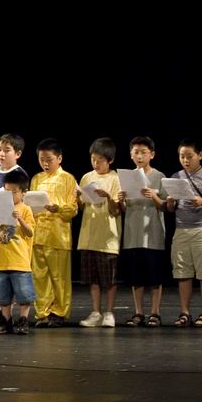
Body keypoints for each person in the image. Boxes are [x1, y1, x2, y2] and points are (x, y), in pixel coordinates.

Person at [166, 138, 202, 327]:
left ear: (200, 155)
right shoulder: (176, 177)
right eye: (182, 156)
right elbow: (170, 209)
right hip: (181, 229)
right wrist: (170, 202)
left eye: (189, 156)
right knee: (182, 271)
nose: (185, 160)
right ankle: (184, 312)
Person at [117, 136, 167, 327]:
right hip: (133, 233)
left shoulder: (159, 176)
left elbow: (165, 206)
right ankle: (138, 312)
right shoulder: (126, 177)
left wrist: (153, 195)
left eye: (143, 152)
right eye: (136, 152)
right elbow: (124, 208)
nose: (139, 156)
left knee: (154, 275)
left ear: (151, 155)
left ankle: (155, 312)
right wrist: (121, 199)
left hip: (153, 233)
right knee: (135, 276)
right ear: (131, 154)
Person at [30, 138, 78, 328]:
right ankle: (43, 312)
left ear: (59, 158)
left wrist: (57, 208)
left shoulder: (67, 178)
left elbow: (72, 209)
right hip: (38, 234)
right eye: (42, 159)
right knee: (40, 276)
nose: (45, 163)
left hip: (58, 235)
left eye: (49, 159)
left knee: (59, 277)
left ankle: (59, 312)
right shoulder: (36, 179)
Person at [78, 138, 123, 328]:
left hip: (107, 238)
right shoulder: (87, 177)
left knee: (109, 279)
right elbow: (82, 207)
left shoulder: (116, 178)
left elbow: (117, 210)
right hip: (88, 235)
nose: (96, 164)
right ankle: (96, 312)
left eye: (100, 161)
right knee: (93, 279)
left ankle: (109, 312)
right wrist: (78, 198)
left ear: (110, 160)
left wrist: (109, 197)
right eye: (93, 160)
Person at [0, 170, 36, 334]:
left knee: (24, 294)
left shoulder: (26, 209)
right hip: (2, 261)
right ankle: (6, 321)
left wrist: (20, 219)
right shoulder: (0, 208)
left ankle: (23, 320)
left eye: (14, 192)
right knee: (3, 296)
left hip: (19, 261)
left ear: (23, 193)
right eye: (7, 191)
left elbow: (30, 233)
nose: (10, 195)